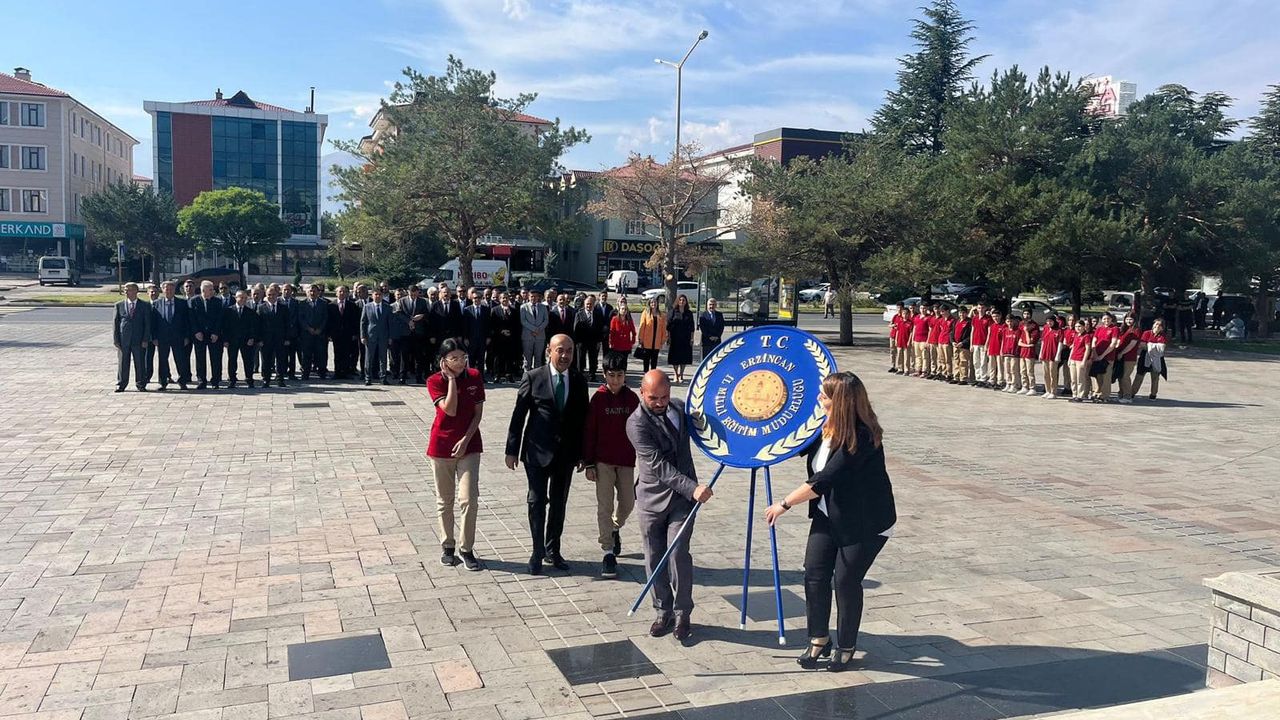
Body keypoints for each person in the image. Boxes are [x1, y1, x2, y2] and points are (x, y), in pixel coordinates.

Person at [765, 372, 895, 672]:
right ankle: (818, 639)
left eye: (824, 396)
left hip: (865, 522)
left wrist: (783, 504)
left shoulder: (861, 436)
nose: (818, 399)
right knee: (814, 573)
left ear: (841, 402)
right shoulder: (824, 428)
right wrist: (758, 440)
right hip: (829, 514)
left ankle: (846, 644)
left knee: (845, 581)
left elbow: (823, 479)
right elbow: (790, 446)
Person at [626, 369, 713, 643]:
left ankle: (682, 613)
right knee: (654, 557)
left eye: (665, 396)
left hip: (682, 502)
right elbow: (659, 467)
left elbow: (705, 425)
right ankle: (662, 611)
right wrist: (693, 487)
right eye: (654, 398)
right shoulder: (636, 423)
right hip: (652, 499)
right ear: (642, 392)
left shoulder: (678, 408)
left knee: (677, 553)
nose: (661, 402)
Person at [505, 334, 589, 575]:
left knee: (559, 503)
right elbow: (518, 415)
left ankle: (553, 549)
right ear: (548, 352)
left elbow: (584, 419)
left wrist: (584, 454)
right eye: (560, 350)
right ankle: (536, 551)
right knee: (536, 501)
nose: (565, 356)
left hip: (567, 454)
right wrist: (512, 450)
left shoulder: (578, 380)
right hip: (537, 451)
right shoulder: (533, 378)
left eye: (569, 351)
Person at [428, 339, 486, 571]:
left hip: (469, 445)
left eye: (463, 357)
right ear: (443, 361)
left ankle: (466, 548)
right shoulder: (434, 380)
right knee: (445, 500)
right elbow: (449, 409)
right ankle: (447, 547)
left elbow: (478, 414)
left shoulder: (474, 376)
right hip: (441, 446)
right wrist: (451, 380)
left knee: (469, 499)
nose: (460, 362)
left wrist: (466, 439)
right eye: (454, 358)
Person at [582, 353, 640, 579]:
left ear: (625, 376)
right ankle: (607, 551)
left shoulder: (632, 399)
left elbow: (640, 429)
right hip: (603, 461)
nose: (615, 380)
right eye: (611, 376)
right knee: (604, 506)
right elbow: (589, 431)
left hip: (626, 460)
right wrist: (588, 462)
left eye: (620, 375)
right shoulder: (598, 399)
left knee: (628, 501)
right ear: (604, 375)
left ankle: (615, 527)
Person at [113, 282, 152, 392]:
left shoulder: (144, 305)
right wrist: (116, 340)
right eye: (125, 290)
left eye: (129, 289)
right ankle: (121, 384)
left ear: (136, 291)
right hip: (123, 340)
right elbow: (116, 324)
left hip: (138, 340)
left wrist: (145, 339)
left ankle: (141, 384)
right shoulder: (119, 305)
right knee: (123, 363)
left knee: (140, 363)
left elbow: (147, 324)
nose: (126, 292)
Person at [151, 281, 190, 391]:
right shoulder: (157, 303)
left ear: (174, 290)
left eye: (171, 289)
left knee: (180, 360)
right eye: (166, 289)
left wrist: (187, 336)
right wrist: (154, 337)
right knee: (163, 360)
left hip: (178, 336)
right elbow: (153, 322)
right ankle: (163, 382)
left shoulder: (182, 303)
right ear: (162, 290)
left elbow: (186, 321)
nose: (169, 291)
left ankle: (182, 382)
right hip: (162, 337)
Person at [189, 280, 225, 389]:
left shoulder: (218, 301)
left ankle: (215, 381)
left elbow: (220, 319)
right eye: (210, 289)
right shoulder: (194, 301)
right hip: (199, 334)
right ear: (203, 290)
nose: (213, 291)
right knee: (200, 358)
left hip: (213, 334)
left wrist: (216, 333)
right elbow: (192, 318)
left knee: (216, 358)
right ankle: (202, 380)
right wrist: (196, 332)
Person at [221, 290, 259, 389]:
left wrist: (252, 338)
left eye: (244, 298)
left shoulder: (250, 312)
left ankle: (249, 379)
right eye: (240, 297)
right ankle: (232, 380)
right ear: (236, 298)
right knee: (232, 360)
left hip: (246, 341)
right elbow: (225, 327)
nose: (242, 299)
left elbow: (253, 327)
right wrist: (225, 340)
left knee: (248, 361)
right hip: (232, 340)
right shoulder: (229, 311)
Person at [256, 284, 291, 388]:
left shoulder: (283, 308)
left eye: (273, 294)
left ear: (277, 295)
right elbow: (258, 325)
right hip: (266, 340)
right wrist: (259, 339)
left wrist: (287, 338)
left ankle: (280, 379)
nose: (271, 297)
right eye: (269, 295)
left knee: (281, 360)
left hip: (280, 339)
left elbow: (287, 324)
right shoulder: (261, 308)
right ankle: (266, 380)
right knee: (266, 360)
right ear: (266, 295)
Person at [360, 286, 393, 385]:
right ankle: (368, 378)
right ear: (372, 295)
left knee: (383, 358)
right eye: (376, 294)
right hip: (371, 336)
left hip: (383, 336)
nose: (378, 296)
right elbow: (363, 322)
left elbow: (390, 323)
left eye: (380, 294)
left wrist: (390, 337)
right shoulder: (367, 307)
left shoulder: (388, 307)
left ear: (382, 295)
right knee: (369, 358)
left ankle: (383, 378)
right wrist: (363, 336)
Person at [298, 284, 330, 380]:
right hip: (307, 334)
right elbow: (301, 318)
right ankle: (305, 373)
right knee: (306, 355)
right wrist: (308, 328)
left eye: (314, 291)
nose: (312, 293)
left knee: (321, 354)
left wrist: (320, 329)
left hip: (320, 334)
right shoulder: (302, 304)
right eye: (310, 291)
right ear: (307, 292)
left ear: (318, 292)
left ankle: (322, 373)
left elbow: (325, 318)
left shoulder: (323, 303)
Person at [1132, 318, 1169, 400]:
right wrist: (1154, 346)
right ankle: (1132, 393)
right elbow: (1142, 345)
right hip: (1145, 356)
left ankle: (1153, 394)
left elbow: (1162, 348)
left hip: (1157, 359)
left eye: (1160, 325)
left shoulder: (1163, 336)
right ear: (1153, 325)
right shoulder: (1146, 333)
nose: (1157, 326)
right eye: (1156, 324)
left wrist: (1149, 345)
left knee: (1155, 377)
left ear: (1162, 328)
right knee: (1139, 376)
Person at [330, 286, 362, 380]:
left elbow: (356, 321)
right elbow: (329, 321)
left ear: (348, 293)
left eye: (344, 292)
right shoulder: (331, 305)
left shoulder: (352, 305)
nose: (342, 293)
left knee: (347, 353)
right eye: (340, 291)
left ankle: (346, 372)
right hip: (336, 334)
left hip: (348, 334)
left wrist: (355, 334)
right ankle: (337, 372)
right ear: (336, 293)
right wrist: (330, 334)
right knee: (337, 353)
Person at [573, 294, 606, 382]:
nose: (589, 306)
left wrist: (599, 340)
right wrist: (576, 341)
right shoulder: (579, 314)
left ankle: (592, 376)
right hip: (581, 341)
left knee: (593, 359)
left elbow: (601, 328)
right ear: (584, 304)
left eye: (591, 304)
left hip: (593, 341)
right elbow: (575, 329)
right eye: (587, 304)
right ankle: (579, 376)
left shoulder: (598, 314)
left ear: (594, 304)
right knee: (580, 359)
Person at [490, 293, 522, 382]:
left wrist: (510, 332)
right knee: (498, 358)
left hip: (510, 339)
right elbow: (492, 324)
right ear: (500, 299)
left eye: (506, 298)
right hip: (498, 338)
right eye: (503, 298)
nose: (505, 300)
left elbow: (517, 325)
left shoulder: (514, 311)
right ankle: (497, 375)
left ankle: (509, 374)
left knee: (509, 358)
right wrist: (501, 331)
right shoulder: (494, 310)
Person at [666, 294, 695, 384]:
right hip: (675, 338)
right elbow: (668, 326)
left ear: (686, 302)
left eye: (684, 300)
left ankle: (681, 374)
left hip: (686, 338)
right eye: (680, 300)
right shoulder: (673, 312)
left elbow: (692, 327)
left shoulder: (689, 313)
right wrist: (668, 338)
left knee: (684, 357)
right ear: (678, 301)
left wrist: (692, 338)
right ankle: (675, 374)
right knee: (675, 357)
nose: (682, 301)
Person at [1114, 314, 1142, 404]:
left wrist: (1122, 353)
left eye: (1131, 319)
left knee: (1125, 376)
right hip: (1120, 356)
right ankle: (1121, 394)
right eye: (1127, 319)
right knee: (1120, 376)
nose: (1128, 321)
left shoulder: (1136, 330)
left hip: (1129, 357)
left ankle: (1128, 396)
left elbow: (1132, 344)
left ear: (1134, 320)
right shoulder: (1123, 329)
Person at [462, 287, 490, 375]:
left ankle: (480, 377)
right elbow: (465, 325)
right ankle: (470, 376)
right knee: (471, 358)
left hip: (482, 338)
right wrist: (465, 338)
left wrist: (488, 337)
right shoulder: (467, 310)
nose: (476, 299)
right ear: (472, 299)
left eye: (478, 298)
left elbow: (488, 324)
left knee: (481, 358)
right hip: (471, 338)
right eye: (475, 298)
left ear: (481, 299)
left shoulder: (486, 309)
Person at [520, 289, 549, 372]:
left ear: (538, 297)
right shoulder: (523, 307)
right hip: (528, 336)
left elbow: (546, 320)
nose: (533, 298)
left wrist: (538, 329)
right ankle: (527, 377)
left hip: (540, 336)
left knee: (538, 358)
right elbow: (523, 321)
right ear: (528, 297)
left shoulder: (543, 307)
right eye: (532, 296)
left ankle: (537, 377)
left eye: (535, 296)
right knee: (527, 359)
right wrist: (534, 329)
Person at [637, 298, 667, 373]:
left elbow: (664, 328)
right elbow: (642, 325)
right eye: (652, 303)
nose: (653, 304)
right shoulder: (645, 313)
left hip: (656, 341)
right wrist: (640, 338)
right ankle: (646, 374)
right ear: (649, 304)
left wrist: (663, 339)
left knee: (654, 360)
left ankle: (653, 375)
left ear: (657, 304)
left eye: (655, 302)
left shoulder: (661, 315)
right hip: (647, 341)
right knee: (646, 359)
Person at [389, 289, 413, 384]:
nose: (399, 296)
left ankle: (403, 374)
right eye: (398, 295)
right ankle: (395, 372)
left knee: (404, 355)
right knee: (394, 355)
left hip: (405, 334)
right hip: (394, 334)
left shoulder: (407, 306)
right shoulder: (390, 307)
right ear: (395, 296)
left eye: (401, 295)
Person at [1067, 319, 1093, 403]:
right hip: (1073, 359)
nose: (1078, 328)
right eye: (1076, 326)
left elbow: (1088, 349)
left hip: (1080, 359)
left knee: (1080, 378)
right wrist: (1069, 359)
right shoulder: (1076, 335)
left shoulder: (1086, 336)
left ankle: (1080, 395)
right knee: (1073, 379)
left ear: (1083, 327)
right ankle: (1074, 394)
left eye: (1079, 326)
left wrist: (1084, 361)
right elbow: (1073, 347)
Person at [1038, 316, 1059, 399]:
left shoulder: (1058, 330)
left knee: (1052, 373)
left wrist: (1058, 354)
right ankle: (1048, 390)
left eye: (1051, 321)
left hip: (1053, 354)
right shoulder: (1046, 328)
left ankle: (1053, 392)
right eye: (1047, 321)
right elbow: (1043, 342)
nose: (1049, 323)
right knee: (1045, 373)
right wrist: (1040, 353)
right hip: (1045, 353)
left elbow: (1060, 343)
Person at [1017, 317, 1039, 396]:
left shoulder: (1034, 332)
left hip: (1030, 354)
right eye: (1025, 325)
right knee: (1023, 371)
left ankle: (1032, 387)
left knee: (1030, 371)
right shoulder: (1023, 332)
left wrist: (1026, 332)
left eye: (1027, 325)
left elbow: (1030, 341)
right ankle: (1024, 386)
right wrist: (1027, 345)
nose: (1025, 327)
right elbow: (1019, 343)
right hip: (1022, 353)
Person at [950, 308, 971, 385]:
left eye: (963, 313)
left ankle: (963, 378)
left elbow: (970, 335)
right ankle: (956, 377)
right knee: (956, 361)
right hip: (955, 345)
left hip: (963, 346)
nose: (961, 315)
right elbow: (951, 333)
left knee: (963, 362)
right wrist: (952, 342)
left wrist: (963, 342)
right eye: (960, 313)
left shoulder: (969, 322)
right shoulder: (956, 321)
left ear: (966, 313)